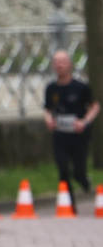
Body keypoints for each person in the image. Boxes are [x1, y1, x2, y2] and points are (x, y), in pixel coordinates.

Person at [43, 51, 97, 209]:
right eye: (56, 62)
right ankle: (69, 205)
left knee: (78, 171)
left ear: (70, 65)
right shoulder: (51, 88)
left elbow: (94, 107)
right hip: (60, 135)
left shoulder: (81, 87)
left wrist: (84, 122)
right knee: (63, 169)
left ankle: (84, 181)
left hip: (78, 135)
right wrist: (49, 121)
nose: (60, 65)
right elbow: (47, 109)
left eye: (63, 62)